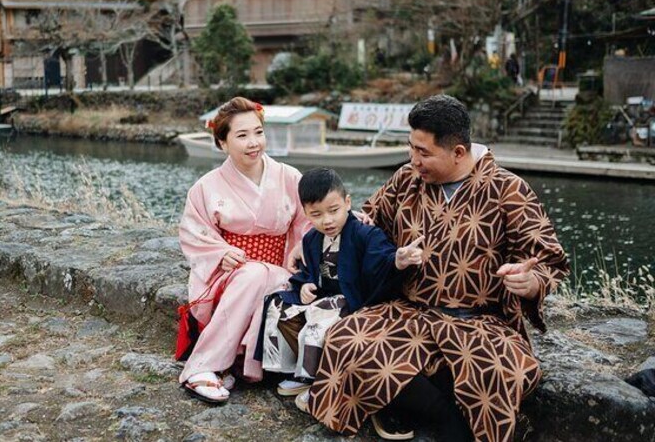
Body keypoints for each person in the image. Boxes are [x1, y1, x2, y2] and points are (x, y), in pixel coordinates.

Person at [306, 95, 569, 442]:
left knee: (498, 372)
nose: (413, 160)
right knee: (344, 340)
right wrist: (314, 245)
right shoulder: (406, 180)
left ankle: (410, 405)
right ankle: (445, 417)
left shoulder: (508, 190)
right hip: (408, 310)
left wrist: (531, 281)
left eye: (423, 152)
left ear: (459, 152)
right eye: (411, 148)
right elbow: (365, 222)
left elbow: (549, 259)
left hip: (479, 320)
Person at [260, 167, 414, 441]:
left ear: (348, 202)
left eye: (333, 210)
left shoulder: (364, 233)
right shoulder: (311, 238)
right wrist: (305, 284)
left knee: (319, 322)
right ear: (306, 213)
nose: (327, 220)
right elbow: (309, 273)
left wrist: (398, 261)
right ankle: (295, 370)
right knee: (277, 305)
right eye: (316, 214)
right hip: (323, 294)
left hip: (351, 298)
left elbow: (382, 260)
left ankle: (316, 382)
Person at [178, 96, 310, 404]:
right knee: (252, 274)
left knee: (268, 277)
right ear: (222, 143)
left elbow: (309, 227)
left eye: (258, 132)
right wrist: (221, 252)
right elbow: (194, 234)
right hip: (227, 278)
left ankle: (230, 363)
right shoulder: (206, 187)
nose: (254, 142)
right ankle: (202, 367)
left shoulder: (290, 177)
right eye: (242, 135)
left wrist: (300, 251)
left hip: (280, 272)